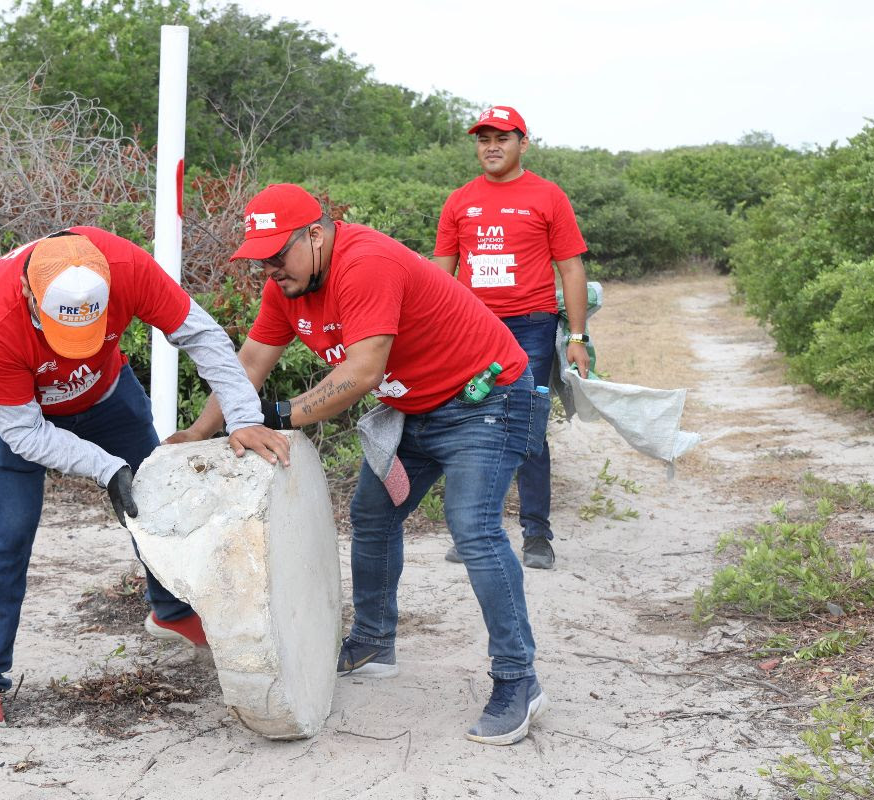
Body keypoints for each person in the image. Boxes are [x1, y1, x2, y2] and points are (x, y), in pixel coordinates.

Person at [171, 184, 550, 745]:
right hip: (412, 409)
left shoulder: (364, 263)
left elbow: (364, 370)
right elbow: (250, 359)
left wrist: (275, 415)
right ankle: (374, 640)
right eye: (261, 259)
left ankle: (519, 680)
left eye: (278, 254)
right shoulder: (289, 287)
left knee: (472, 528)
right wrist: (201, 431)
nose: (270, 269)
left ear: (316, 235)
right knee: (372, 517)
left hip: (485, 400)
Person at [0, 227, 290, 728]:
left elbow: (201, 335)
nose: (72, 350)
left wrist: (243, 416)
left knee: (154, 500)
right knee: (9, 532)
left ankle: (172, 613)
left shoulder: (127, 268)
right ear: (30, 294)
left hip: (106, 393)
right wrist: (105, 467)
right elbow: (26, 434)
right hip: (13, 410)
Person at [433, 105, 590, 571]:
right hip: (470, 330)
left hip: (531, 326)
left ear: (523, 143)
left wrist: (577, 336)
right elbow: (439, 275)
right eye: (483, 139)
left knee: (526, 428)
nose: (492, 146)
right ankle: (473, 530)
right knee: (469, 428)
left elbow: (571, 268)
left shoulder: (547, 195)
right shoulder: (459, 201)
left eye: (502, 138)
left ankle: (537, 535)